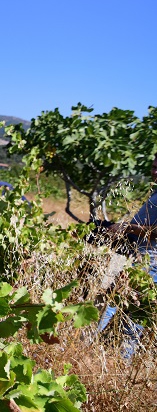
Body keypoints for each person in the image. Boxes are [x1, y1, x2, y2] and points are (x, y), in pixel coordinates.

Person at [97, 152, 157, 358]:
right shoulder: (155, 193)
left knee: (134, 311)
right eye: (154, 166)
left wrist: (128, 228)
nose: (154, 171)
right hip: (140, 258)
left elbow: (154, 231)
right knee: (117, 302)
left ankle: (122, 358)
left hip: (150, 263)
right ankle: (100, 352)